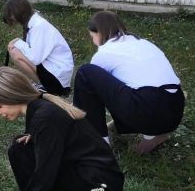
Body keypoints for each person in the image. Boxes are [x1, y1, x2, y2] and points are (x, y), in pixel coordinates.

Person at [0, 67, 124, 191]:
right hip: (98, 180)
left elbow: (43, 180)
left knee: (37, 168)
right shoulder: (41, 109)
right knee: (19, 149)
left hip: (102, 189)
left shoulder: (44, 118)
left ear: (12, 96)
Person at [73, 11, 185, 153]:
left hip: (147, 109)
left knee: (86, 73)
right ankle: (151, 135)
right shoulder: (144, 43)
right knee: (131, 83)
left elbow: (90, 92)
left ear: (99, 33)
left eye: (92, 36)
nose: (93, 41)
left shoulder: (105, 52)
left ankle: (99, 143)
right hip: (175, 108)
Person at [3, 0, 74, 96]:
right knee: (16, 50)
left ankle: (45, 87)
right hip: (54, 71)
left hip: (58, 79)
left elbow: (35, 58)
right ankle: (43, 85)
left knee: (15, 52)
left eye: (12, 16)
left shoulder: (38, 26)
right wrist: (18, 42)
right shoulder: (34, 24)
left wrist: (18, 42)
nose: (12, 19)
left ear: (18, 13)